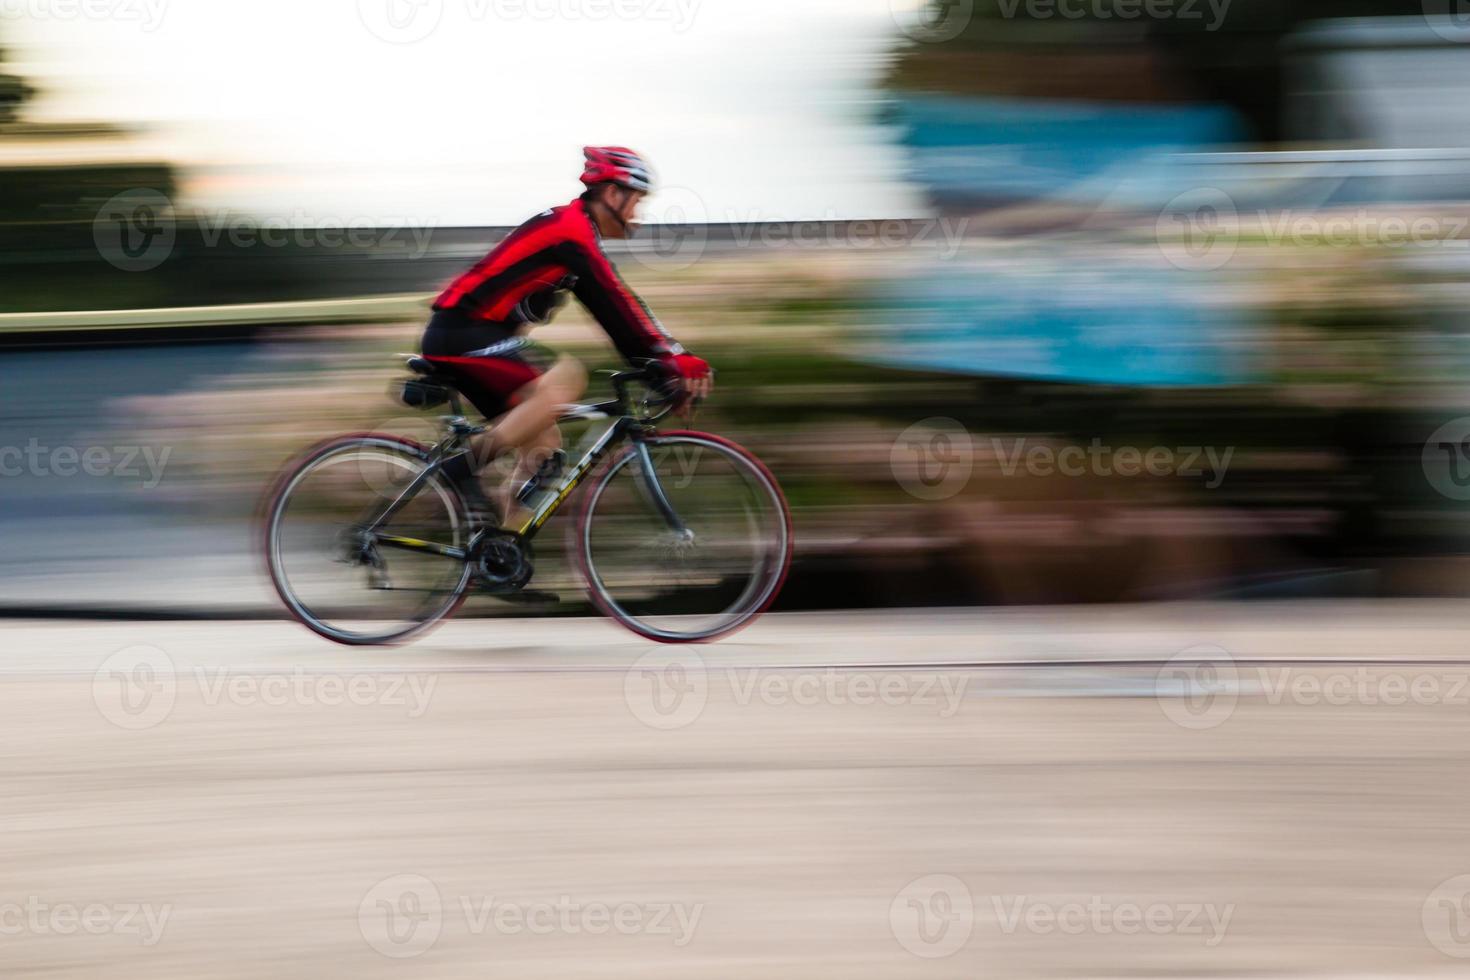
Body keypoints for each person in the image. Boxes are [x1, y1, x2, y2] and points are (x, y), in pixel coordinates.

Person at [420, 146, 712, 524]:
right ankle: (458, 471)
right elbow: (615, 300)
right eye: (636, 202)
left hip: (470, 336)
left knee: (544, 451)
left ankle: (498, 555)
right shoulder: (570, 232)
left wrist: (658, 364)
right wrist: (669, 358)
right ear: (612, 193)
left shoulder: (573, 232)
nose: (637, 218)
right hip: (462, 334)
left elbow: (610, 312)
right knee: (566, 380)